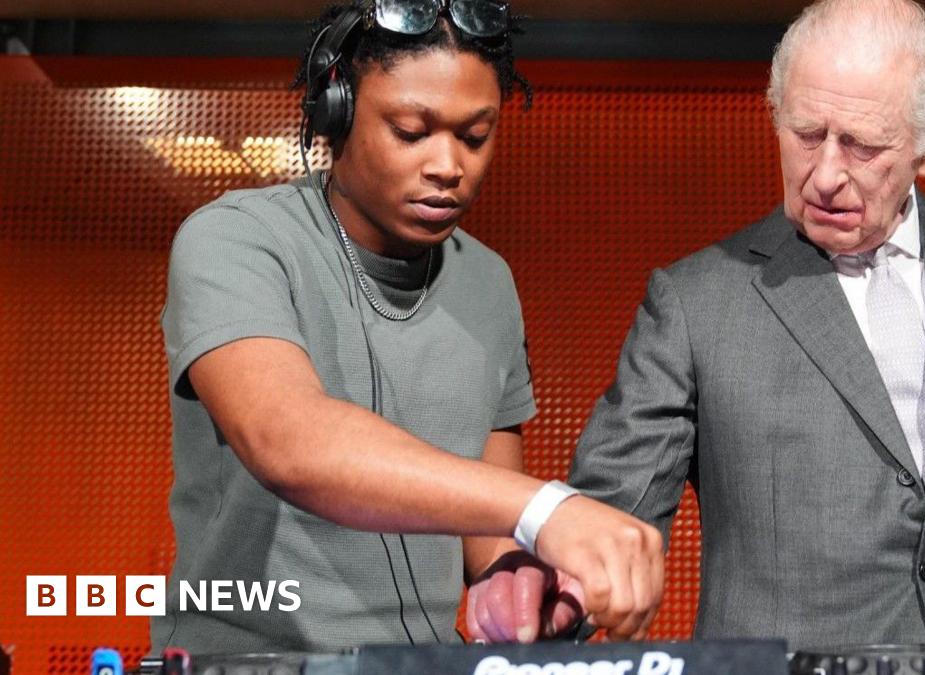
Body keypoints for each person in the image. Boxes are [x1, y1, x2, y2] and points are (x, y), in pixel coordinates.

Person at [561, 0, 925, 673]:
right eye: (807, 133)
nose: (827, 174)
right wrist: (551, 588)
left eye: (863, 145)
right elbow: (602, 522)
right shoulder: (695, 303)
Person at [154, 0, 662, 653]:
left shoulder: (489, 281)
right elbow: (285, 439)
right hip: (243, 661)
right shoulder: (236, 239)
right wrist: (545, 509)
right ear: (334, 114)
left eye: (474, 136)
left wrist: (512, 574)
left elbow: (485, 521)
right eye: (410, 131)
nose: (449, 165)